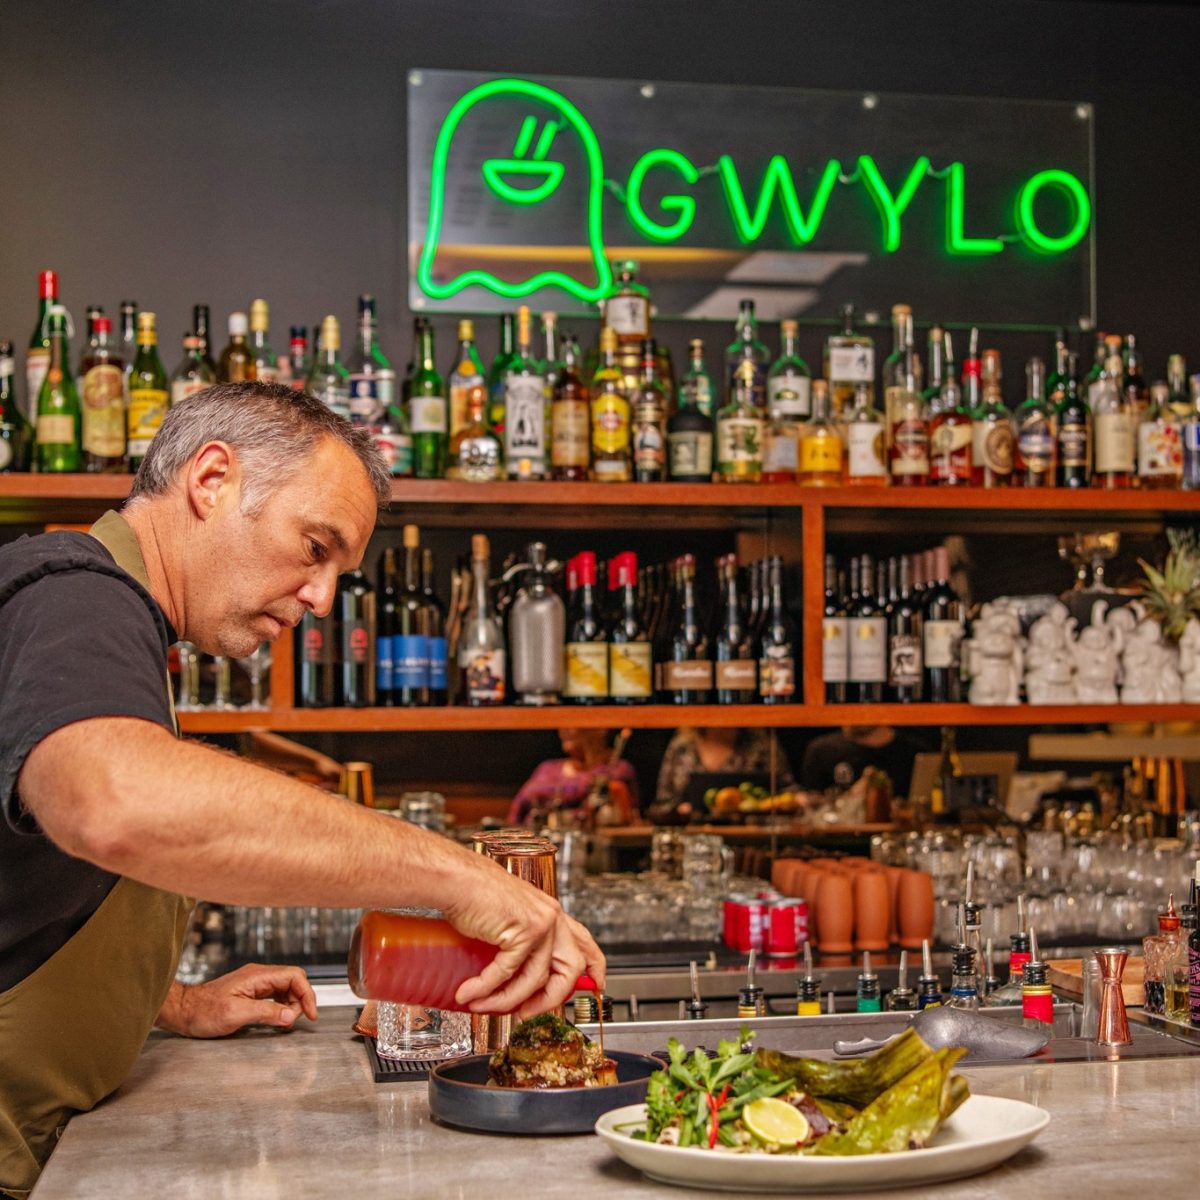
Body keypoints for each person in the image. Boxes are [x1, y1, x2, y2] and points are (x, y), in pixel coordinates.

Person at [0, 382, 603, 1197]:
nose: (322, 600)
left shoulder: (115, 620)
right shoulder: (79, 592)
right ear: (211, 480)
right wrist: (460, 875)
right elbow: (114, 804)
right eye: (315, 548)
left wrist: (163, 1002)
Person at [648, 726, 797, 823]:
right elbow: (662, 802)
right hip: (692, 841)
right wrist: (679, 811)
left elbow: (787, 790)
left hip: (753, 844)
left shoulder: (760, 744)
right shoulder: (682, 746)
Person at [507, 728, 639, 826]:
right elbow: (517, 811)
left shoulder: (617, 770)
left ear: (600, 730)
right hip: (534, 847)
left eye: (572, 722)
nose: (564, 729)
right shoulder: (547, 768)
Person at [800, 725, 934, 799]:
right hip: (837, 846)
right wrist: (852, 798)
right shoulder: (821, 750)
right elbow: (812, 810)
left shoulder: (916, 751)